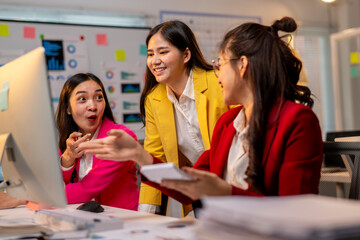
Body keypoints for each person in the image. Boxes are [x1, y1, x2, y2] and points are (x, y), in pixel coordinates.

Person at [79, 17, 323, 207]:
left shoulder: (298, 120)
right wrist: (138, 155)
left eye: (221, 62)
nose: (215, 71)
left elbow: (294, 210)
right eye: (151, 54)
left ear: (243, 65)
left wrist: (223, 192)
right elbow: (189, 186)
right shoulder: (228, 124)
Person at [0, 73, 140, 210]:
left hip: (122, 221)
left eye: (99, 97)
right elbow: (55, 183)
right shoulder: (72, 139)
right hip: (84, 219)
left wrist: (20, 198)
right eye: (82, 99)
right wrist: (68, 158)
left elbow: (87, 189)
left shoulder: (120, 138)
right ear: (68, 108)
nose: (93, 106)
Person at [137, 20, 230, 216]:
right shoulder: (154, 99)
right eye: (150, 54)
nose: (155, 60)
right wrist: (145, 213)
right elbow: (156, 158)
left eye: (163, 52)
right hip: (200, 193)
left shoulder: (218, 84)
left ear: (186, 55)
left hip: (234, 186)